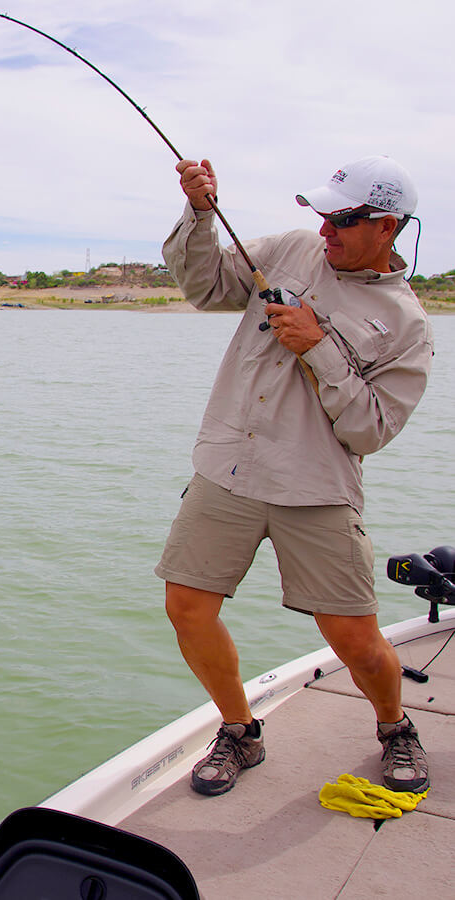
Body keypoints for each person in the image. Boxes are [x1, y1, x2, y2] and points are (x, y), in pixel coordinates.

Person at [155, 155, 433, 796]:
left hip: (315, 488)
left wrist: (319, 344)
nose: (326, 230)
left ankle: (395, 728)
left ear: (387, 227)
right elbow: (203, 287)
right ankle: (239, 731)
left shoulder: (407, 325)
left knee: (355, 639)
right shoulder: (289, 251)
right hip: (228, 467)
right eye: (323, 215)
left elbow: (370, 430)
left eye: (343, 219)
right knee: (186, 607)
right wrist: (201, 213)